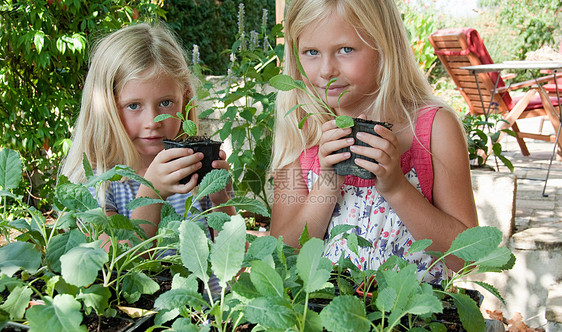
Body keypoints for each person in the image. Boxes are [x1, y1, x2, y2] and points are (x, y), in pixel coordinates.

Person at [269, 0, 478, 284]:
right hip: (326, 318)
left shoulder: (432, 130)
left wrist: (396, 187)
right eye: (311, 52)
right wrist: (328, 181)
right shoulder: (301, 129)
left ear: (385, 46)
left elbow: (467, 259)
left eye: (346, 50)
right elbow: (283, 255)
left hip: (416, 320)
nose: (326, 70)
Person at [60, 22, 235, 244]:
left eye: (165, 102)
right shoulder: (96, 182)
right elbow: (120, 263)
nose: (152, 122)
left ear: (185, 100)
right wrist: (151, 194)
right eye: (133, 106)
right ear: (106, 108)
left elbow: (233, 264)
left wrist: (220, 201)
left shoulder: (195, 173)